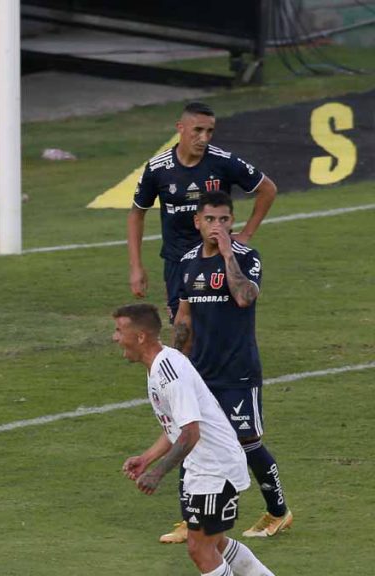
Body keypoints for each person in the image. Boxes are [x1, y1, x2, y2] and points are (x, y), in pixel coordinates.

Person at [113, 303, 275, 576]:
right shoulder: (159, 367)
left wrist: (157, 473)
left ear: (140, 336)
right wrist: (147, 458)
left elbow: (191, 433)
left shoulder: (169, 372)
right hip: (203, 467)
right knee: (216, 544)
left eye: (119, 330)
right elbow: (177, 427)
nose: (115, 337)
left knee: (200, 549)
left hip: (215, 467)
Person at [168, 191, 292, 543]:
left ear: (232, 221)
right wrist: (176, 363)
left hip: (238, 371)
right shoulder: (187, 262)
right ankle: (190, 520)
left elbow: (244, 297)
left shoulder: (246, 257)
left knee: (247, 441)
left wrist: (226, 254)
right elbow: (184, 317)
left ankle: (278, 512)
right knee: (191, 438)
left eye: (224, 219)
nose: (217, 226)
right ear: (197, 222)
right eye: (210, 219)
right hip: (200, 372)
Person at [127, 102, 277, 324]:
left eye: (209, 131)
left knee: (217, 325)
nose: (204, 138)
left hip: (215, 259)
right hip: (177, 261)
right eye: (197, 130)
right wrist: (136, 267)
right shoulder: (158, 168)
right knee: (181, 327)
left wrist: (246, 234)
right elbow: (136, 215)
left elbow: (268, 189)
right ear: (180, 128)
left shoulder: (223, 161)